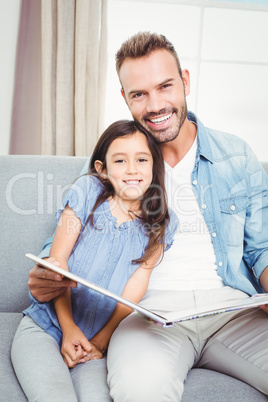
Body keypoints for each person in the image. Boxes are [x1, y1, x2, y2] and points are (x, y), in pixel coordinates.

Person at [19, 32, 268, 401]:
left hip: (232, 312)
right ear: (125, 98)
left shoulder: (235, 155)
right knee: (140, 391)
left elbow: (261, 247)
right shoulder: (117, 162)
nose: (154, 105)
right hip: (147, 317)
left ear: (184, 81)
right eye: (139, 94)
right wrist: (47, 277)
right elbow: (69, 249)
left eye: (165, 86)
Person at [11, 119, 178, 401]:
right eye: (120, 161)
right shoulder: (87, 191)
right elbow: (57, 264)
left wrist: (100, 341)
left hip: (97, 340)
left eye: (141, 159)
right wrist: (69, 328)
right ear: (102, 169)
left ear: (154, 165)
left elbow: (136, 286)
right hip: (47, 325)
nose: (133, 169)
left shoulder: (163, 222)